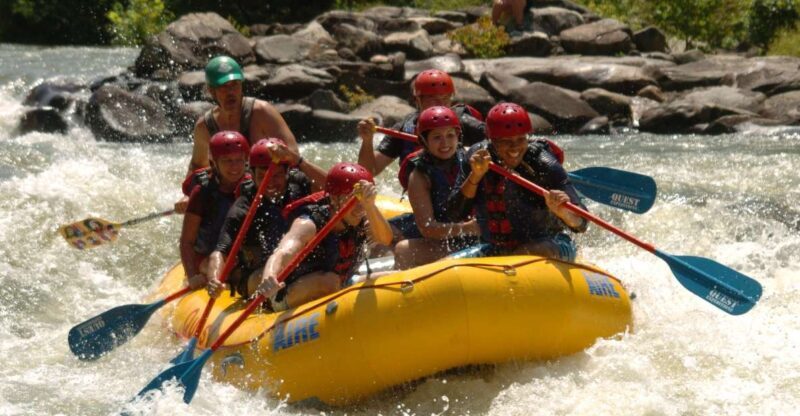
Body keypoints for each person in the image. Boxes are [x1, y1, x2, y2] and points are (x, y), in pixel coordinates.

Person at [448, 102, 588, 260]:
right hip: (496, 248)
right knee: (447, 264)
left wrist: (564, 213)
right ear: (491, 140)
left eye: (521, 139)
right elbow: (454, 214)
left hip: (550, 245)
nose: (515, 148)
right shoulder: (477, 157)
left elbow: (582, 223)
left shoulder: (543, 163)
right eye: (506, 141)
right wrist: (475, 176)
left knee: (535, 250)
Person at [357, 69, 485, 240]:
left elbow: (497, 140)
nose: (441, 105)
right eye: (434, 99)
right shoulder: (406, 127)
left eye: (445, 98)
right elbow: (369, 171)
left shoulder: (460, 121)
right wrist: (367, 140)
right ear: (418, 100)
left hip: (461, 208)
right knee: (373, 233)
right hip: (427, 208)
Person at [254, 163, 394, 311]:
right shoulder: (309, 223)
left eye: (362, 200)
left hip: (340, 284)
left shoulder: (361, 215)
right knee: (329, 282)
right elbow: (284, 252)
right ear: (334, 199)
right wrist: (270, 276)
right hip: (291, 293)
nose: (360, 208)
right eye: (353, 199)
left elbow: (385, 240)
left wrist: (370, 205)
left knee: (392, 278)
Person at [203, 138, 327, 297]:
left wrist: (297, 159)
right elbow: (220, 251)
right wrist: (214, 279)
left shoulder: (299, 183)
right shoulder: (244, 206)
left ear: (287, 173)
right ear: (252, 175)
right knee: (284, 270)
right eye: (262, 176)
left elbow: (335, 188)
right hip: (256, 275)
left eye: (277, 176)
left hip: (296, 263)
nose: (270, 182)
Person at [174, 55, 299, 213]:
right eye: (223, 86)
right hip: (231, 200)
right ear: (211, 90)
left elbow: (293, 154)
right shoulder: (204, 127)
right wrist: (187, 195)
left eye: (235, 85)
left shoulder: (262, 113)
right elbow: (197, 166)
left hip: (269, 195)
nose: (231, 92)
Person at [394, 106, 481, 270]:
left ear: (458, 136)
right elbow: (427, 229)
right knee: (403, 250)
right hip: (446, 238)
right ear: (424, 141)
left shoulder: (473, 158)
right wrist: (468, 228)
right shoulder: (419, 177)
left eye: (450, 135)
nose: (445, 143)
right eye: (436, 137)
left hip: (478, 236)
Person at [180, 131, 251, 290]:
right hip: (205, 257)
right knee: (215, 263)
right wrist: (192, 275)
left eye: (239, 160)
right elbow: (187, 241)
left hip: (240, 256)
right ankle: (216, 284)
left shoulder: (252, 186)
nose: (234, 166)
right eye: (227, 160)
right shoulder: (203, 191)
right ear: (214, 163)